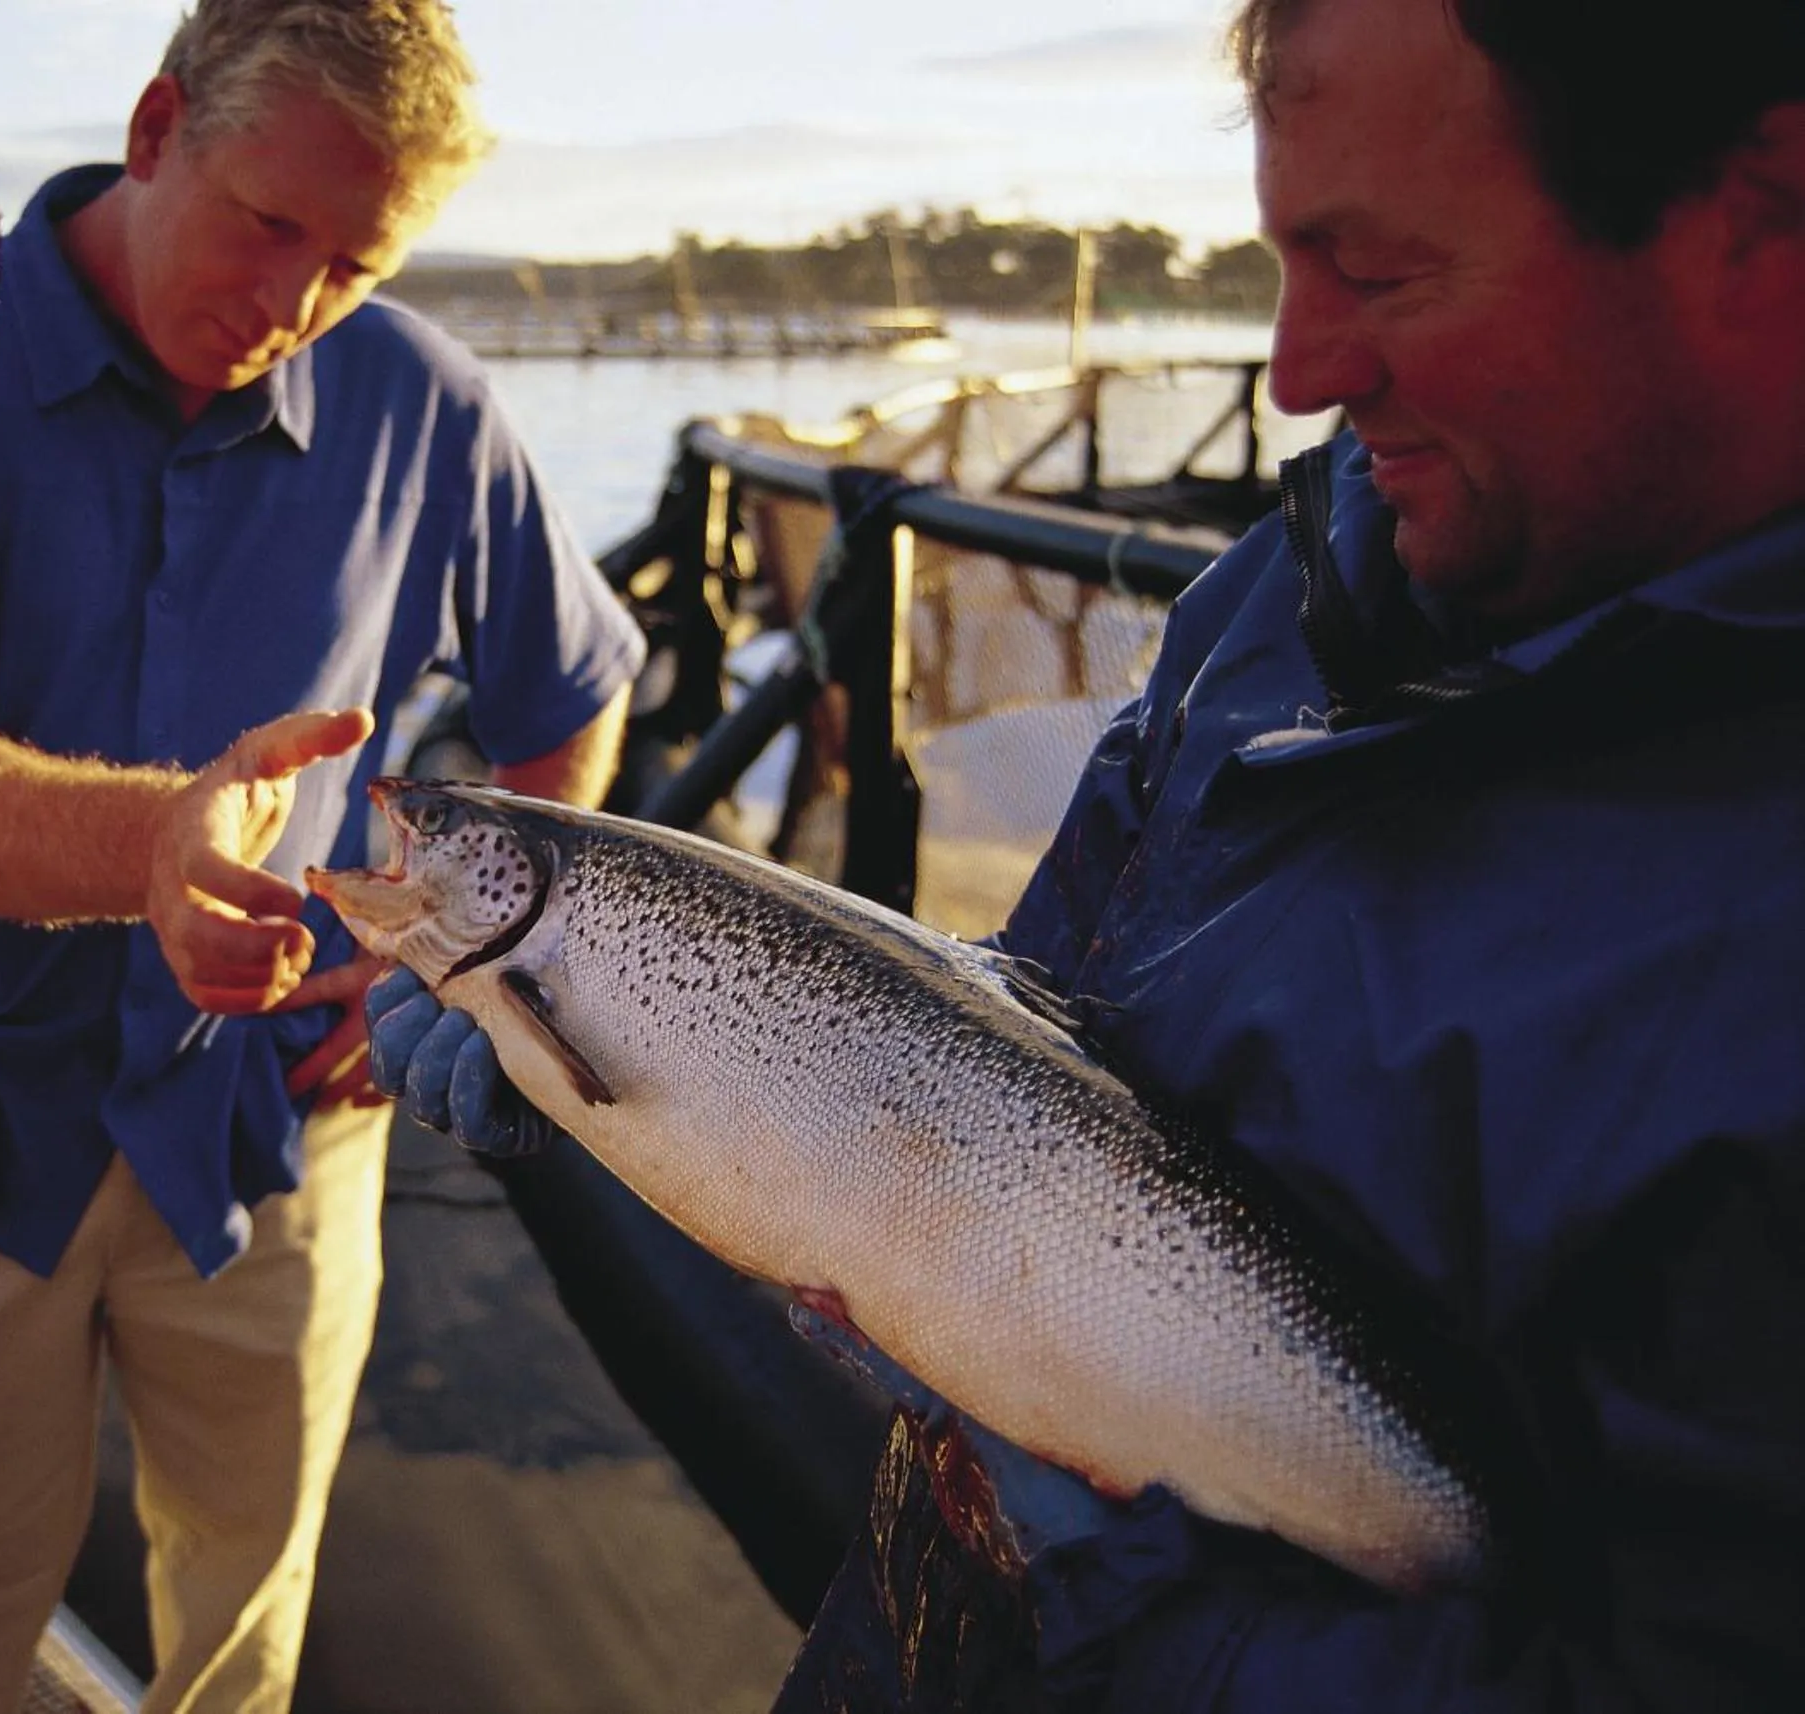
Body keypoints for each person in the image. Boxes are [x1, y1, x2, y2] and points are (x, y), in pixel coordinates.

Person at [370, 0, 1805, 1707]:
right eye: (1280, 260)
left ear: (1755, 218)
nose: (1296, 371)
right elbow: (1024, 1048)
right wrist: (652, 1105)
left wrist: (1103, 1541)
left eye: (1384, 271)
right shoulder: (1282, 594)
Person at [0, 0, 644, 1706]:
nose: (294, 303)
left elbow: (571, 695)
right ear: (158, 124)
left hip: (280, 1124)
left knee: (245, 1639)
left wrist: (450, 972)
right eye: (267, 225)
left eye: (353, 263)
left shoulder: (425, 401)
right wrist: (163, 844)